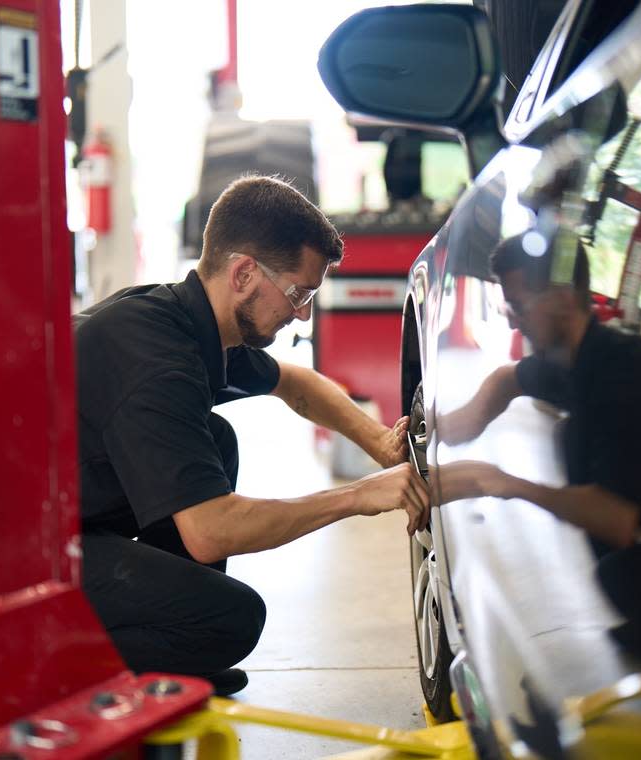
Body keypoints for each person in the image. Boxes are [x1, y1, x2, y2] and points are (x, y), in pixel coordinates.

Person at [74, 175, 429, 696]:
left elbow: (294, 383)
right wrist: (356, 497)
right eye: (298, 293)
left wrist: (380, 444)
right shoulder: (158, 364)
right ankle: (48, 657)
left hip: (72, 514)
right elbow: (211, 530)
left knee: (216, 438)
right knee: (231, 619)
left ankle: (174, 647)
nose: (303, 312)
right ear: (243, 273)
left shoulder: (189, 324)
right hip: (20, 562)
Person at [438, 233, 641, 664]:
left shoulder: (620, 376)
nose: (512, 322)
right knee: (573, 441)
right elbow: (508, 379)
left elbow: (616, 519)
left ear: (560, 298)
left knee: (620, 574)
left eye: (518, 306)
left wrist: (501, 482)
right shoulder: (577, 359)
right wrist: (443, 429)